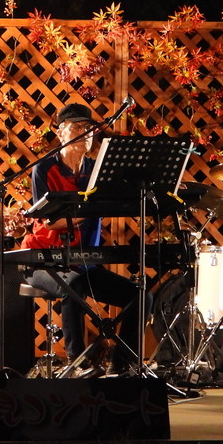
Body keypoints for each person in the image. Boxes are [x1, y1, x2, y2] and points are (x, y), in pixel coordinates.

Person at [21, 102, 151, 377]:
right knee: (75, 286)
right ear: (60, 133)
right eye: (77, 127)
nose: (85, 133)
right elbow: (50, 221)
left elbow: (125, 195)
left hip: (83, 263)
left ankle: (121, 364)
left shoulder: (97, 170)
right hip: (43, 260)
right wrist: (90, 208)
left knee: (140, 297)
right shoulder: (44, 169)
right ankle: (77, 363)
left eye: (89, 128)